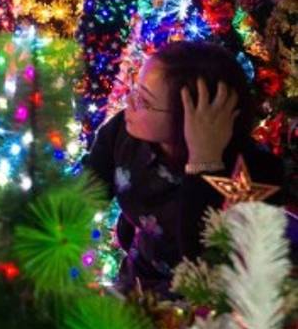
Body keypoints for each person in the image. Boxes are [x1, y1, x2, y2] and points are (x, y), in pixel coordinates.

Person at [85, 40, 285, 296]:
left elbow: (205, 265)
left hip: (209, 305)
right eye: (135, 87)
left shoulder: (256, 173)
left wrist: (204, 161)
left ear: (188, 116)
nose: (128, 100)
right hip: (137, 285)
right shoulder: (124, 134)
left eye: (143, 100)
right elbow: (82, 196)